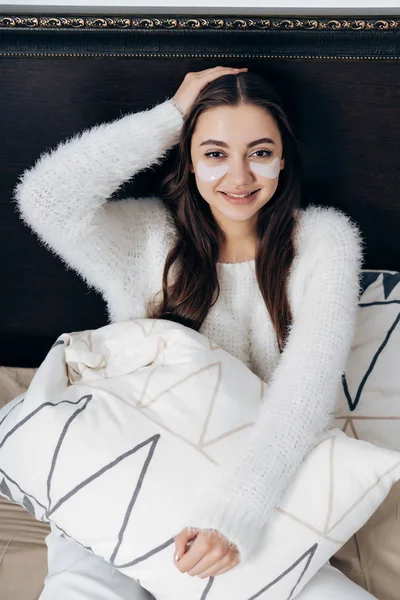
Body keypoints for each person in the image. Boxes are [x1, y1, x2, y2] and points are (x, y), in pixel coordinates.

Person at [14, 66, 372, 599]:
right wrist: (170, 116)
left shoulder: (323, 241)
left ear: (283, 156)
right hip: (125, 468)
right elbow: (45, 199)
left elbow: (305, 390)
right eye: (214, 153)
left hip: (249, 491)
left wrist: (234, 519)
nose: (239, 177)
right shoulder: (144, 236)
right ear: (188, 157)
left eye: (259, 151)